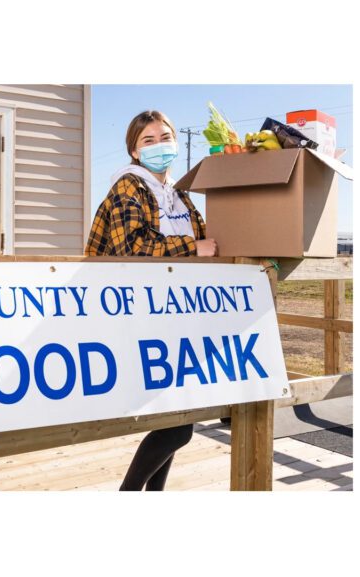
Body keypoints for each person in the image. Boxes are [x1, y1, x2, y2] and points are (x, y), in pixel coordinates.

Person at [84, 110, 218, 491]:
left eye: (165, 137)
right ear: (133, 149)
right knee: (179, 427)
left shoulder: (178, 194)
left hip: (177, 312)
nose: (160, 146)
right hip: (140, 313)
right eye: (148, 140)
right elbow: (132, 247)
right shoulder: (130, 187)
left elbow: (208, 243)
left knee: (174, 420)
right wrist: (193, 247)